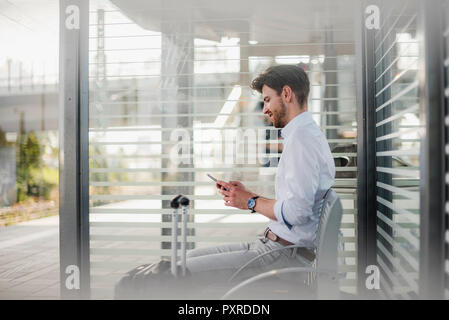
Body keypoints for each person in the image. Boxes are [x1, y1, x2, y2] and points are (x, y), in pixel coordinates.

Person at [184, 64, 336, 286]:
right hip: (275, 246)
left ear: (286, 93)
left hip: (282, 255)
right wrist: (248, 196)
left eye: (266, 100)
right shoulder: (304, 136)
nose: (264, 109)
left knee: (181, 271)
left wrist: (250, 202)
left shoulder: (301, 141)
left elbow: (297, 212)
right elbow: (295, 204)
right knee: (184, 260)